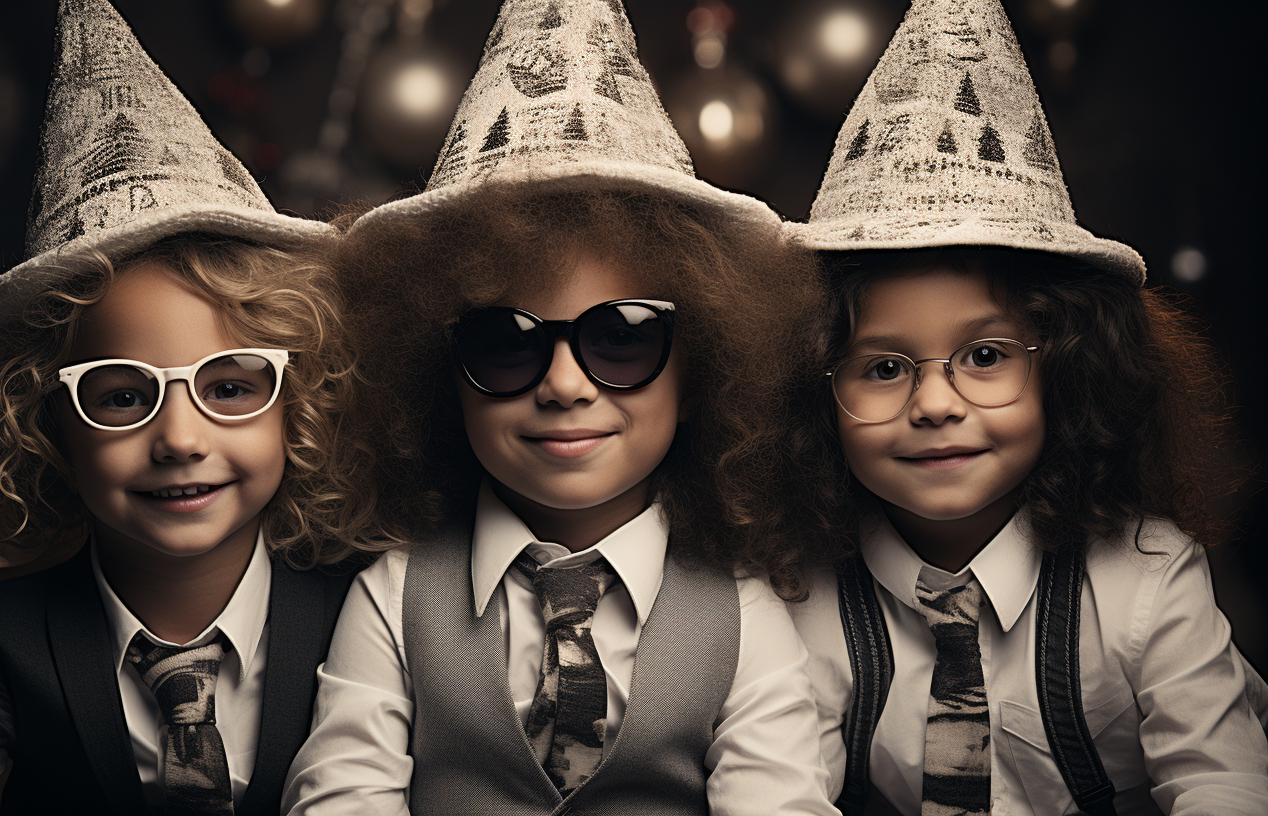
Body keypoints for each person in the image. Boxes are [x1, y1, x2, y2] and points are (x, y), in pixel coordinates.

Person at [283, 1, 837, 814]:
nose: (567, 384)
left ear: (702, 373)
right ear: (441, 374)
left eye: (623, 339)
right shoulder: (394, 596)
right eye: (506, 344)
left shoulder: (744, 614)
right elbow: (340, 796)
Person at [0, 1, 376, 814]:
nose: (179, 439)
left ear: (293, 402)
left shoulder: (365, 614)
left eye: (230, 387)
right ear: (44, 423)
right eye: (122, 396)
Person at [786, 1, 1268, 813]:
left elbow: (1222, 778)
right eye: (883, 367)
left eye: (983, 357)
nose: (935, 403)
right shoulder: (804, 596)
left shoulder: (1147, 577)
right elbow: (783, 785)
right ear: (812, 389)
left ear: (1070, 369)